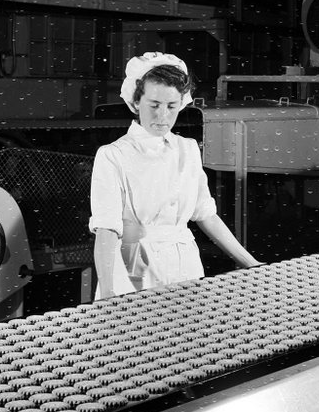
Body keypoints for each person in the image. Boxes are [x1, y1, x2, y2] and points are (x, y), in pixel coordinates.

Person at [89, 52, 260, 299]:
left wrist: (251, 263)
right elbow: (106, 230)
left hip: (185, 270)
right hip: (133, 274)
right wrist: (107, 292)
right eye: (154, 105)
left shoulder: (187, 149)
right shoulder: (113, 155)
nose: (163, 116)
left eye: (171, 106)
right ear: (136, 102)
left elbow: (206, 215)